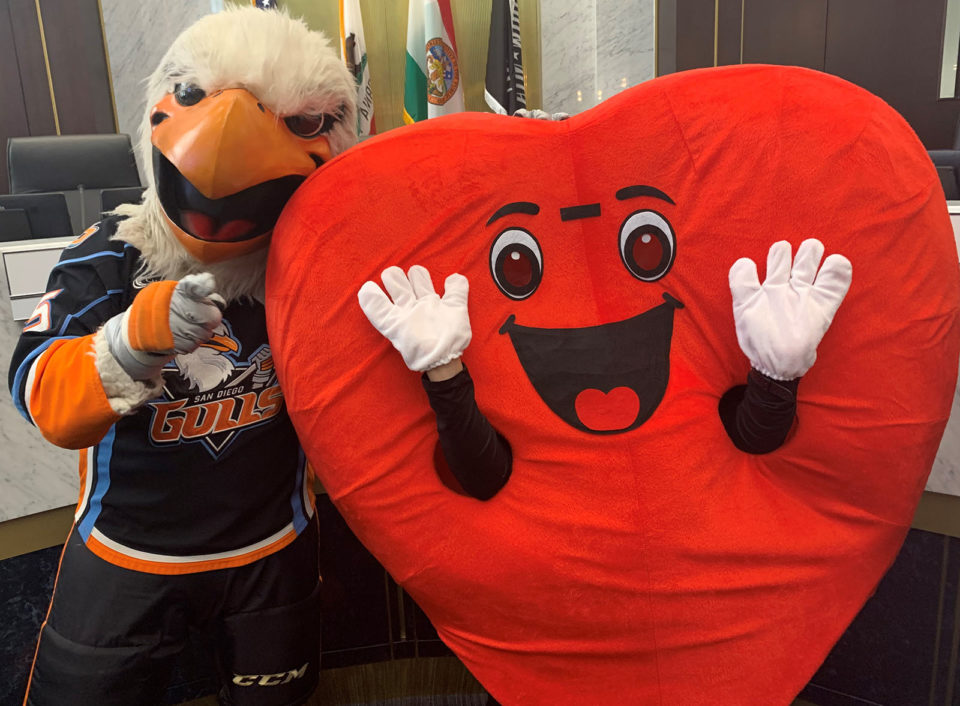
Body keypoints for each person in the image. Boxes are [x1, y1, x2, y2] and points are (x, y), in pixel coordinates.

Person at [8, 8, 358, 705]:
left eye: (301, 122)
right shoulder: (110, 254)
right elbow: (41, 395)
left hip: (270, 546)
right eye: (195, 96)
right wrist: (130, 342)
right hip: (129, 552)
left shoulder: (315, 264)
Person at [358, 238, 852, 497]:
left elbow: (749, 446)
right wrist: (443, 369)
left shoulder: (682, 351)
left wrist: (776, 370)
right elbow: (485, 479)